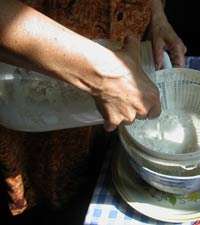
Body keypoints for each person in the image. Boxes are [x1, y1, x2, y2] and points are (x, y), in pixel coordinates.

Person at [0, 0, 186, 216]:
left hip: (122, 68)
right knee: (55, 205)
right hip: (26, 72)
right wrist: (102, 74)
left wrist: (155, 14)